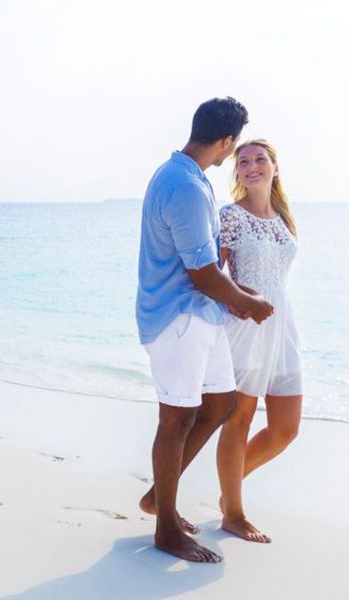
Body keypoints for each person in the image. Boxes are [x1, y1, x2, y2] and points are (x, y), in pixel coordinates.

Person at [135, 97, 275, 563]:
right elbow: (200, 273)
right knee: (175, 418)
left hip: (203, 315)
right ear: (227, 142)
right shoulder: (185, 185)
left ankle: (159, 497)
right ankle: (166, 528)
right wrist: (248, 303)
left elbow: (208, 266)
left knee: (220, 404)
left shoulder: (186, 177)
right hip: (179, 317)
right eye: (232, 150)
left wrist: (236, 294)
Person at [215, 140, 302, 544]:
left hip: (282, 328)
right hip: (246, 326)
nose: (252, 167)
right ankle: (234, 512)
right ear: (237, 173)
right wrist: (241, 296)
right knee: (241, 419)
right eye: (243, 162)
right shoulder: (230, 216)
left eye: (260, 160)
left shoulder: (283, 217)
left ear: (274, 167)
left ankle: (228, 486)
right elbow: (213, 274)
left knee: (285, 428)